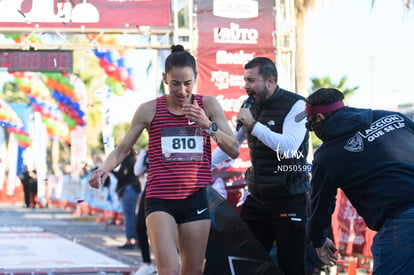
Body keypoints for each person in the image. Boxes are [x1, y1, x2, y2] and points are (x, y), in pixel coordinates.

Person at [89, 44, 239, 275]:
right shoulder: (149, 110)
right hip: (160, 199)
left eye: (188, 83)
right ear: (165, 79)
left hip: (195, 199)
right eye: (175, 83)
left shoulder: (208, 106)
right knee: (168, 271)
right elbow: (122, 150)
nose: (182, 90)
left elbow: (234, 149)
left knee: (192, 271)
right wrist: (103, 169)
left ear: (196, 78)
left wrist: (208, 126)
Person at [298, 88, 414, 274]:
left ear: (319, 118)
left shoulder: (327, 155)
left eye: (309, 125)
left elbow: (320, 203)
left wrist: (318, 240)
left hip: (403, 222)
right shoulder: (393, 117)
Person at [213, 57, 310, 275]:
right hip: (257, 199)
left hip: (289, 198)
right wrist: (204, 166)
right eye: (244, 80)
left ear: (270, 81)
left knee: (290, 266)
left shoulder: (297, 105)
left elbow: (289, 147)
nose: (246, 86)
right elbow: (233, 144)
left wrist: (254, 125)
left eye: (251, 80)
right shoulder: (249, 106)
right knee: (244, 262)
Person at [132, 148, 157, 275]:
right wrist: (142, 152)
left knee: (165, 230)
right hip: (149, 189)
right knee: (140, 225)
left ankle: (171, 263)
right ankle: (147, 262)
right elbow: (137, 171)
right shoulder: (147, 152)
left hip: (170, 189)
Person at [112, 148, 141, 249]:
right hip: (131, 189)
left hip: (129, 189)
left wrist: (110, 170)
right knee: (131, 215)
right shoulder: (131, 160)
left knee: (129, 215)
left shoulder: (129, 161)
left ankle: (130, 240)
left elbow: (122, 176)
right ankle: (136, 239)